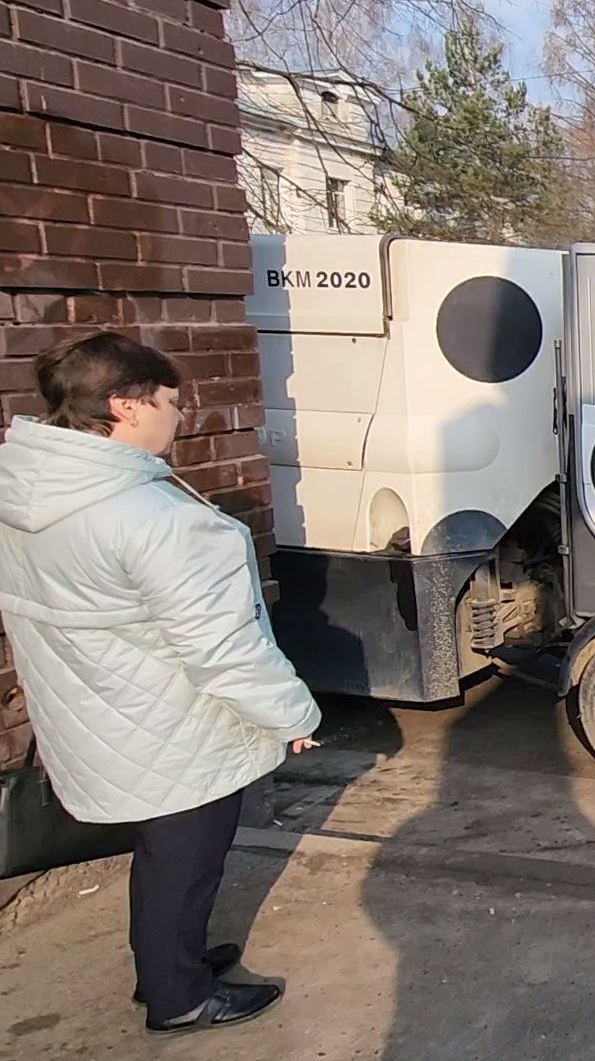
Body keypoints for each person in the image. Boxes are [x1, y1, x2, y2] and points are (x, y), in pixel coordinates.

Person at [0, 332, 322, 1037]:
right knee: (186, 856)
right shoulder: (154, 518)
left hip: (97, 704)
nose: (181, 416)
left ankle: (170, 960)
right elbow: (223, 648)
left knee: (165, 853)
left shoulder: (26, 491)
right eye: (172, 402)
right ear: (125, 405)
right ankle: (178, 996)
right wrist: (291, 712)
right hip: (174, 718)